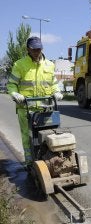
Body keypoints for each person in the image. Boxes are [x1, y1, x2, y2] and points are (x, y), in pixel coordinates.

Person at [7, 36, 63, 167]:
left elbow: (53, 83)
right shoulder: (19, 65)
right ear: (28, 49)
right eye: (34, 49)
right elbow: (11, 84)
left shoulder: (49, 65)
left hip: (45, 108)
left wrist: (57, 91)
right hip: (26, 109)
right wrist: (15, 93)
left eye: (39, 49)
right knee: (28, 137)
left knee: (48, 135)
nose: (37, 52)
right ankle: (29, 163)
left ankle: (47, 162)